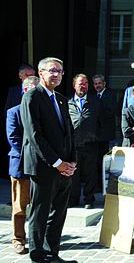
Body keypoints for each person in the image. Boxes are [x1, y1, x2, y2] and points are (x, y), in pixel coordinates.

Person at [20, 57, 77, 263]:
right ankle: (37, 256)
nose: (57, 74)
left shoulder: (61, 98)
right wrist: (57, 163)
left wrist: (72, 162)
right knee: (40, 212)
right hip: (44, 167)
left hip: (65, 168)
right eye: (52, 70)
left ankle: (52, 253)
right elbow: (35, 135)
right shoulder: (32, 97)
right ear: (41, 73)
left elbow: (69, 132)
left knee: (58, 213)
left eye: (60, 71)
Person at [6, 76, 39, 255]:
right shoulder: (14, 112)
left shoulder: (42, 111)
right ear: (25, 91)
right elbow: (14, 139)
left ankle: (36, 240)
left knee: (38, 206)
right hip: (20, 166)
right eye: (32, 89)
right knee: (19, 207)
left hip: (40, 168)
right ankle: (18, 239)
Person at [68, 74, 102, 209]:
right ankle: (73, 199)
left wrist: (97, 136)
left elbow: (103, 121)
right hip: (73, 145)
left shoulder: (96, 101)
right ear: (74, 85)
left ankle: (89, 199)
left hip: (91, 144)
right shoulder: (66, 102)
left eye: (86, 83)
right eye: (81, 84)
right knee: (73, 174)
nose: (84, 86)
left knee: (91, 174)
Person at [92, 74, 118, 190]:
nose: (97, 86)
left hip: (105, 134)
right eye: (95, 84)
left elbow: (110, 112)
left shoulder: (110, 95)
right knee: (95, 160)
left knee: (104, 160)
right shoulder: (92, 96)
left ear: (104, 84)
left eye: (99, 83)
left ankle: (103, 185)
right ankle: (97, 183)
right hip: (94, 134)